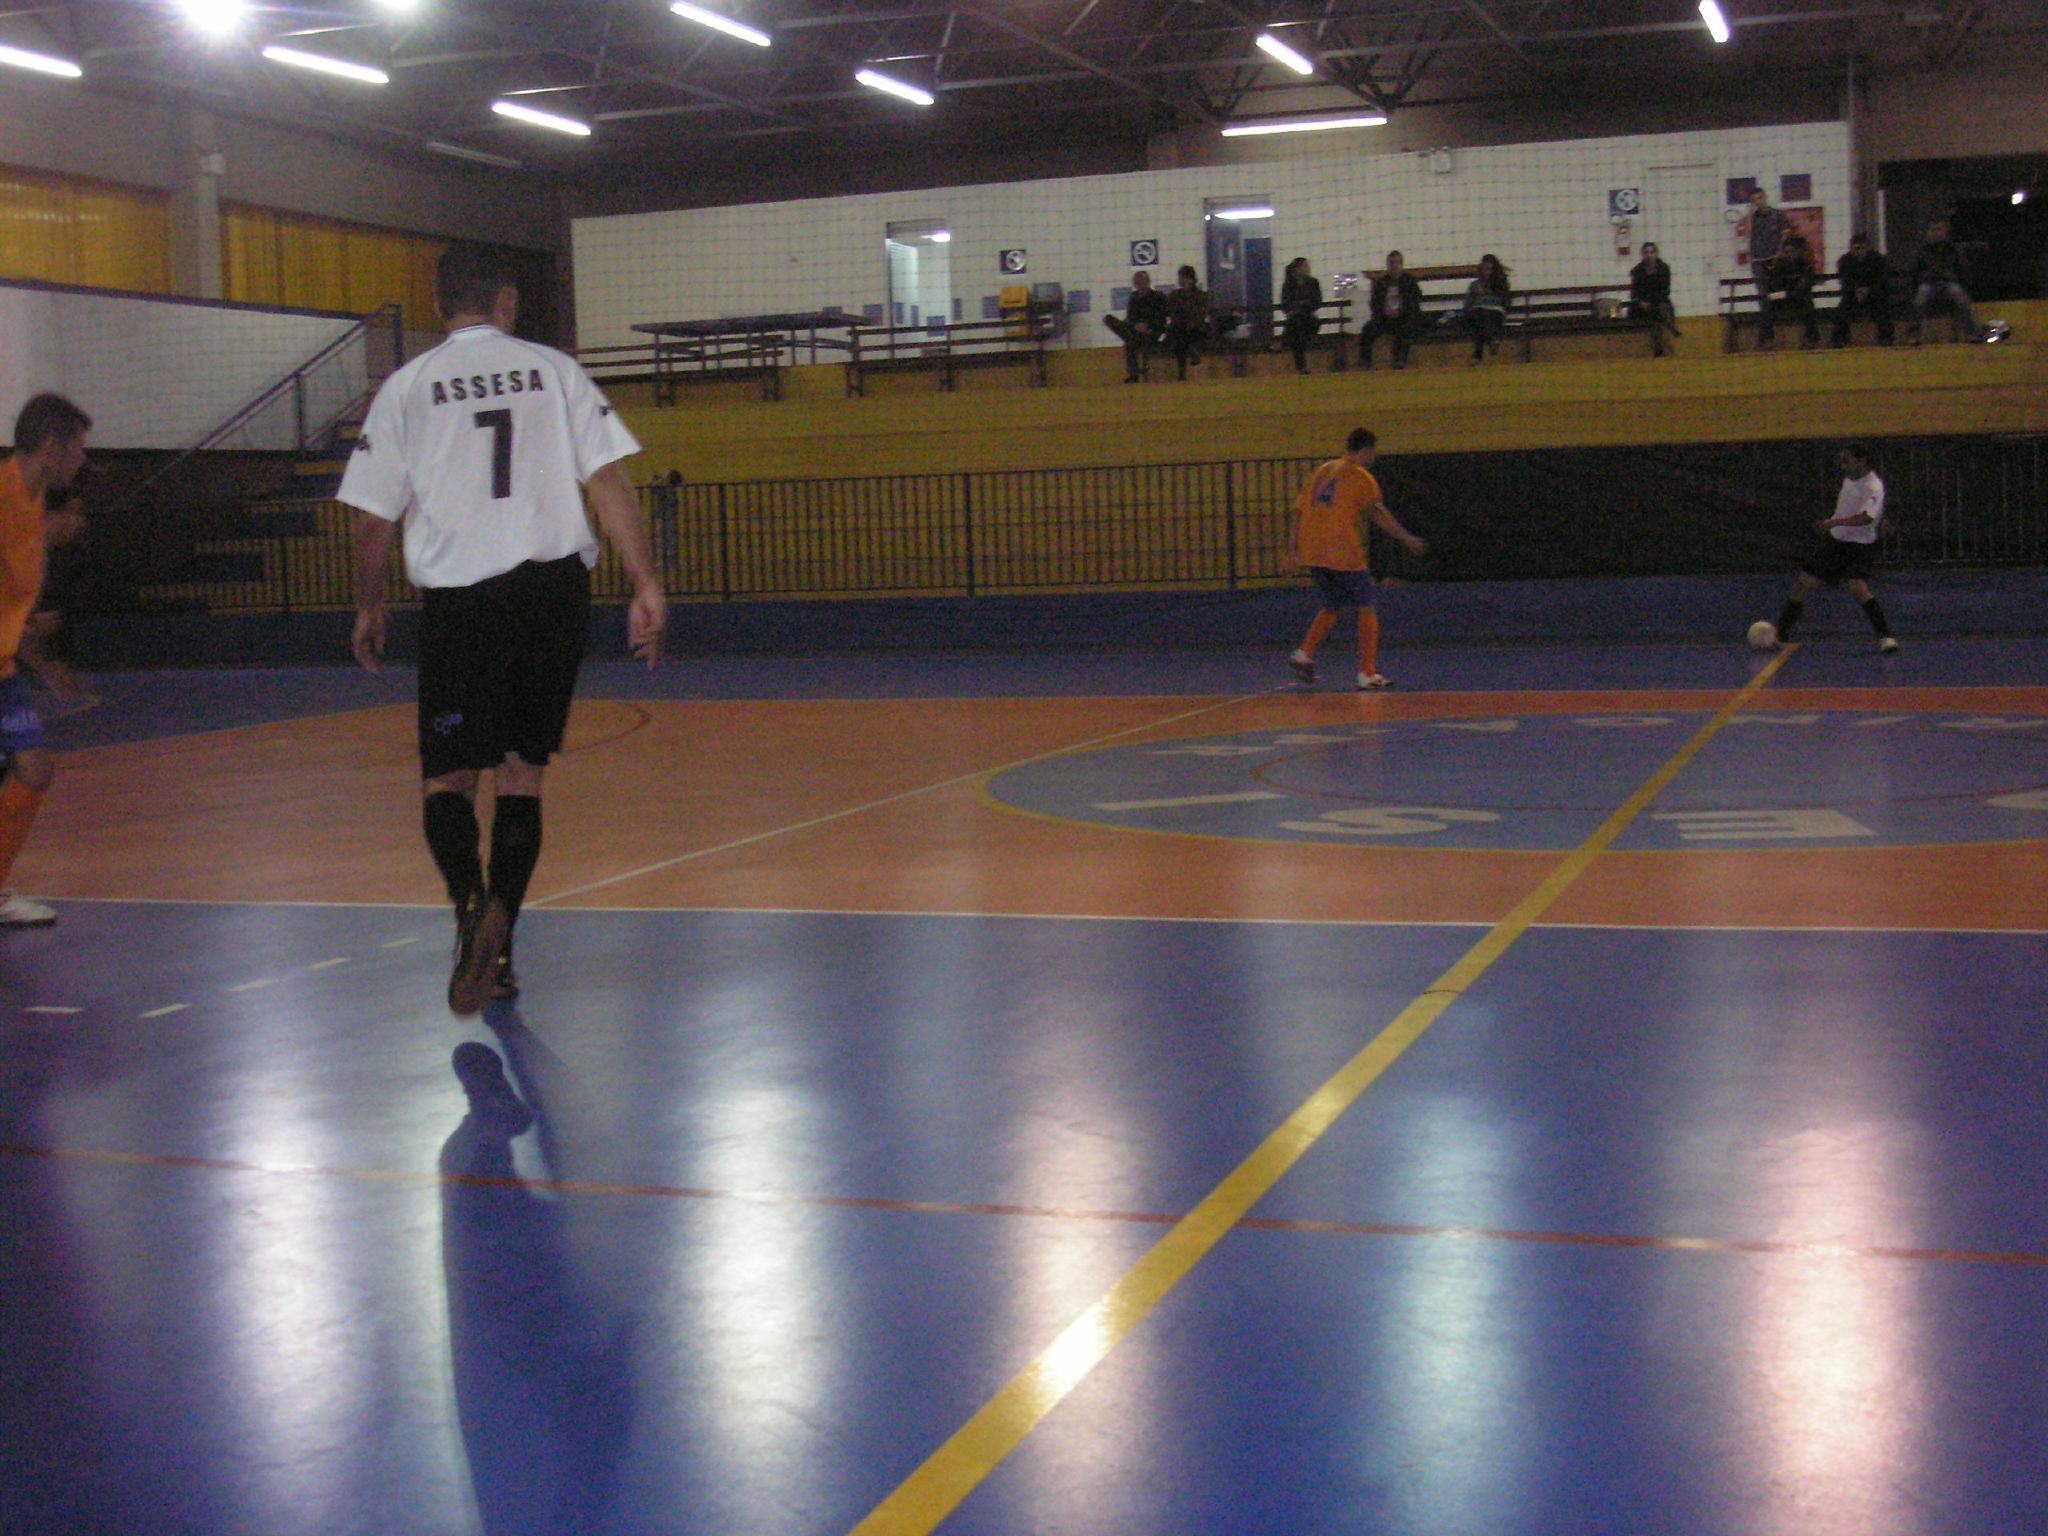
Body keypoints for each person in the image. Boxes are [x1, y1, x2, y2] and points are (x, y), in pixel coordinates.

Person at [342, 243, 667, 1016]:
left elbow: (373, 518)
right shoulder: (555, 371)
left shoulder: (406, 387)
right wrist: (646, 581)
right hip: (552, 594)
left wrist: (368, 602)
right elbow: (608, 480)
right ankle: (502, 948)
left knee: (449, 777)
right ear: (507, 302)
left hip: (462, 602)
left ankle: (469, 910)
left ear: (440, 305)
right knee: (522, 774)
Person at [0, 394, 91, 928]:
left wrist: (42, 658)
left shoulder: (32, 506)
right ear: (53, 448)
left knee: (33, 769)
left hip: (3, 667)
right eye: (78, 448)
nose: (82, 459)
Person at [1283, 427, 1428, 690]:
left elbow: (1297, 511)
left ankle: (1304, 654)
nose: (1373, 458)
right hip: (1341, 550)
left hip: (1312, 550)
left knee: (1332, 604)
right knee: (1366, 605)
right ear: (1366, 451)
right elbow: (1378, 514)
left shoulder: (1323, 470)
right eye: (1372, 453)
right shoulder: (1361, 477)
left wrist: (1292, 552)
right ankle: (1367, 672)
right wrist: (1406, 538)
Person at [1764, 443, 1897, 654]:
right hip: (1836, 543)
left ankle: (1886, 637)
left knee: (1858, 588)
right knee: (1802, 584)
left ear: (1861, 461)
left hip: (1859, 547)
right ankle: (1780, 636)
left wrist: (1832, 523)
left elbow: (1866, 517)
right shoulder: (1849, 479)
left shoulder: (1873, 486)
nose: (1843, 466)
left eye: (1847, 461)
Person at [1906, 221, 1982, 344]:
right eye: (1933, 230)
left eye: (1939, 230)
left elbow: (1961, 268)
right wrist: (1918, 282)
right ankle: (1914, 336)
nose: (1936, 233)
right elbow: (1914, 271)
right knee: (1919, 300)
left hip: (1949, 281)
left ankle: (1971, 333)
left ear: (1944, 232)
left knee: (1961, 299)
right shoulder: (1922, 251)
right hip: (1928, 282)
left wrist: (1962, 282)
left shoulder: (1952, 249)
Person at [1358, 252, 1424, 370]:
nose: (1394, 266)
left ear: (1401, 264)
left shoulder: (1410, 282)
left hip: (1404, 318)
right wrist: (1384, 311)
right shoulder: (1381, 283)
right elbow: (1374, 303)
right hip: (1384, 319)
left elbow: (1415, 302)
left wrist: (1401, 311)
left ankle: (1400, 360)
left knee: (1405, 329)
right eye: (1391, 263)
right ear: (1387, 265)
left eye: (1397, 263)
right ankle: (1365, 362)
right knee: (1368, 329)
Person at [1102, 269, 1170, 383]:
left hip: (1151, 332)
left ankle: (1133, 375)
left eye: (1142, 282)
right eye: (1138, 283)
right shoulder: (1133, 298)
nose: (1140, 285)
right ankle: (1134, 371)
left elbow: (1162, 318)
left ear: (1148, 282)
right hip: (1135, 331)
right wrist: (1135, 326)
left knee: (1130, 342)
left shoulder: (1158, 297)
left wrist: (1148, 327)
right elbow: (1130, 318)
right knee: (1109, 319)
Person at [1745, 186, 1792, 349]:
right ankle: (1767, 340)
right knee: (1764, 300)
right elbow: (1748, 233)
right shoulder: (1753, 217)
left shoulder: (1776, 214)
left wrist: (1780, 249)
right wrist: (1749, 216)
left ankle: (1768, 339)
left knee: (1775, 298)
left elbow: (1786, 232)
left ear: (1765, 197)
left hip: (1774, 260)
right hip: (1758, 261)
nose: (1758, 202)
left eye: (1759, 198)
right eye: (1754, 200)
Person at [1760, 229, 1821, 349]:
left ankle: (1811, 339)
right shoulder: (1779, 266)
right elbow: (1774, 285)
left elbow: (1804, 285)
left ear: (1798, 252)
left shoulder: (1805, 265)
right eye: (1786, 252)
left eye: (1792, 251)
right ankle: (1767, 340)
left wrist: (1789, 292)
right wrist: (1784, 292)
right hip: (1782, 299)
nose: (1789, 255)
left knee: (1808, 305)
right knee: (1768, 306)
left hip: (1798, 298)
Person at [1831, 232, 1895, 347]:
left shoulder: (1877, 260)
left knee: (1882, 308)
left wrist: (1869, 290)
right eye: (1856, 248)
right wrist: (1856, 290)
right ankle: (1839, 339)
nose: (1859, 251)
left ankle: (1886, 338)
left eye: (1862, 248)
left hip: (1874, 294)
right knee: (1842, 311)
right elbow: (1845, 281)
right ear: (1851, 249)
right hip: (1853, 294)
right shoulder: (1845, 261)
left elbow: (1882, 280)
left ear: (1867, 248)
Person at [1162, 265, 1215, 379]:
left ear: (1190, 279)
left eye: (1182, 278)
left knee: (1180, 336)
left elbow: (1201, 314)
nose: (1180, 280)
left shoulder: (1201, 295)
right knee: (1179, 334)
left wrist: (1189, 321)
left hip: (1195, 329)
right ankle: (1190, 355)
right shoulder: (1175, 295)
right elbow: (1169, 312)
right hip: (1180, 328)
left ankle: (1182, 373)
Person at [1628, 241, 1679, 357]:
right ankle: (1650, 348)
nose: (1649, 255)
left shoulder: (1664, 269)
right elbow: (1634, 292)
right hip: (1641, 305)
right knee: (1647, 316)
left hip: (1660, 301)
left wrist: (1652, 302)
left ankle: (1663, 347)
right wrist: (1641, 302)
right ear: (1642, 255)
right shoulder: (1637, 271)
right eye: (1646, 253)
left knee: (1662, 311)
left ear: (1656, 253)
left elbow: (1665, 290)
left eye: (1651, 252)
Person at [1277, 257, 1324, 374]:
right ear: (1297, 268)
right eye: (1305, 265)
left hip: (1309, 319)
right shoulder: (1288, 284)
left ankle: (1283, 340)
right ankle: (1302, 367)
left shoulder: (1313, 282)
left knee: (1296, 328)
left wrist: (1299, 306)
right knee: (1297, 332)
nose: (1308, 268)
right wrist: (1302, 304)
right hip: (1296, 319)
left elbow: (1317, 301)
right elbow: (1285, 304)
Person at [1463, 253, 1510, 363]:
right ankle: (1491, 340)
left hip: (1494, 313)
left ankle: (1477, 355)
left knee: (1481, 319)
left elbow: (1506, 302)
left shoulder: (1500, 284)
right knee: (1479, 316)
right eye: (1485, 269)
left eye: (1490, 269)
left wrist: (1491, 294)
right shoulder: (1474, 285)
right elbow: (1467, 303)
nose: (1487, 272)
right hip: (1477, 312)